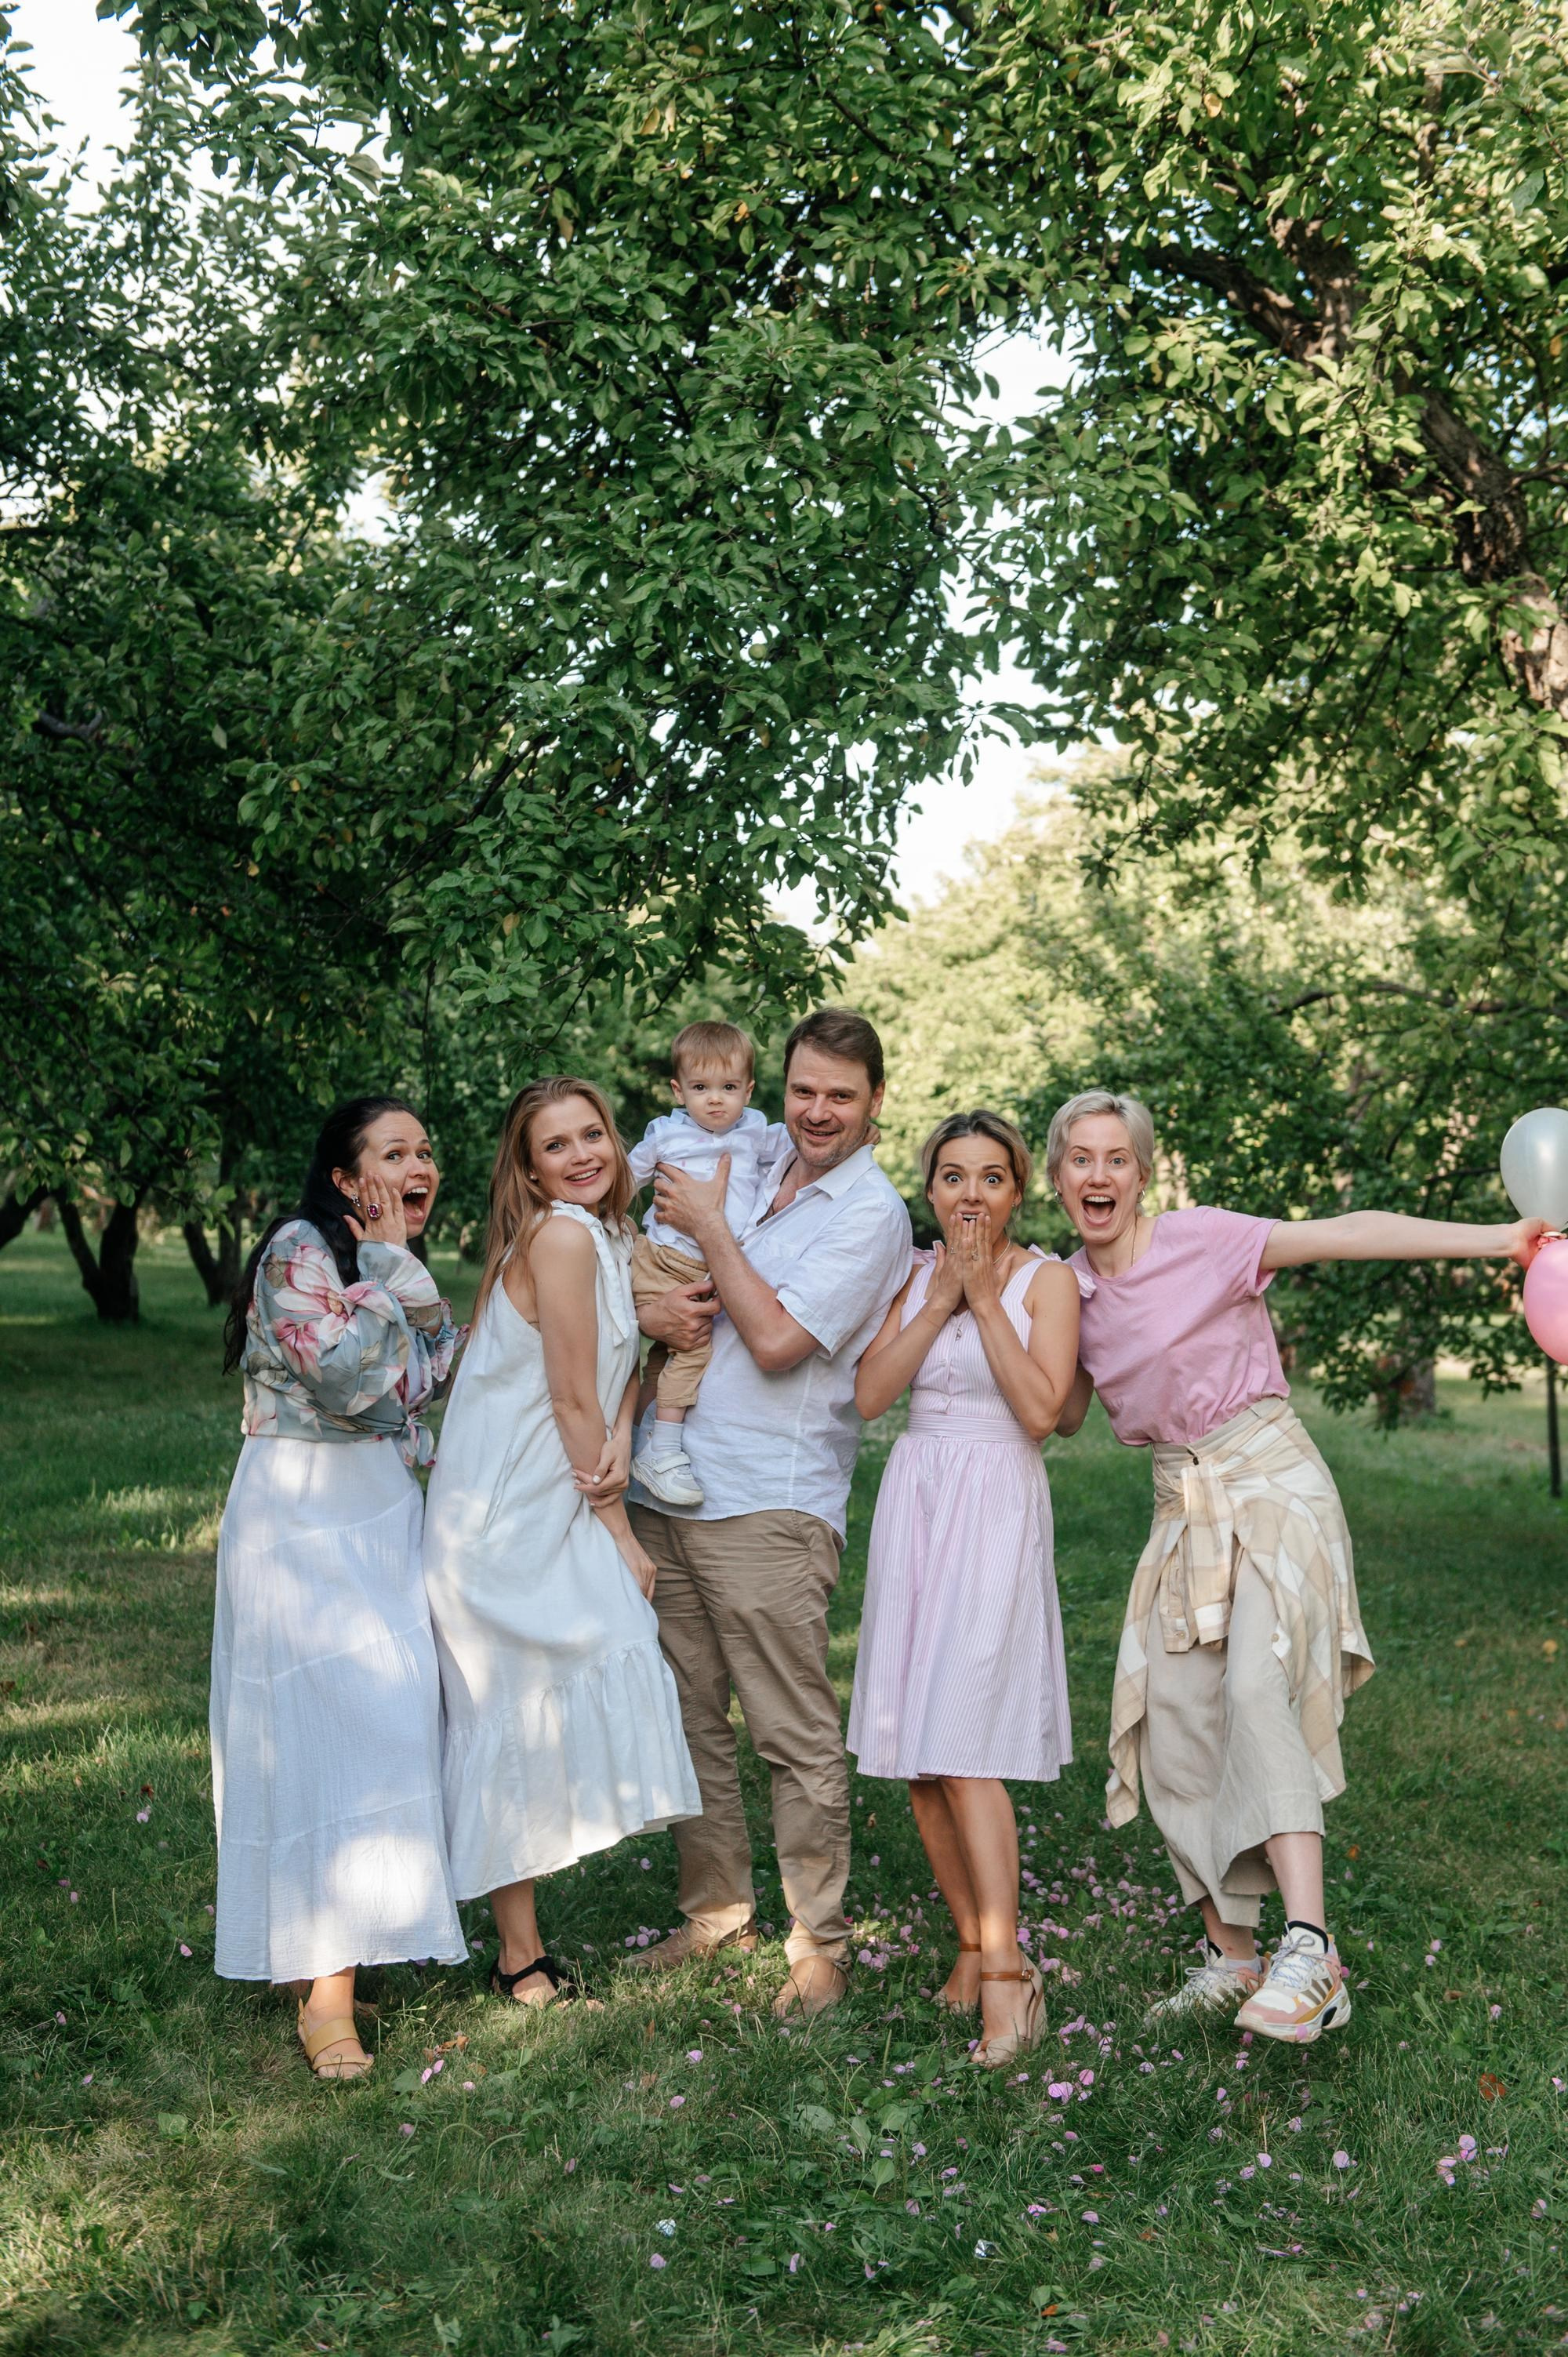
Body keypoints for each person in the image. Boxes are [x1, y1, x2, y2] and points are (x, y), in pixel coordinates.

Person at [1049, 1089, 1546, 2042]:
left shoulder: (1202, 1239)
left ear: (1142, 1174)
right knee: (1174, 1724)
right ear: (1058, 1177)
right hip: (1181, 1503)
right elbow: (1060, 1411)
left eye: (1115, 1158)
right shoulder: (1069, 1290)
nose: (1098, 1175)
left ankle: (1311, 1953)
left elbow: (1346, 1233)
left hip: (1270, 1477)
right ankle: (1232, 1957)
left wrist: (1498, 1239)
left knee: (1252, 1684)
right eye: (1079, 1158)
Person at [626, 1007, 913, 2017]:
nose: (817, 1112)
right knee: (689, 1717)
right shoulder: (746, 1160)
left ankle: (818, 1944)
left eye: (840, 1095)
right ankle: (713, 1912)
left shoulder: (869, 1212)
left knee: (790, 1732)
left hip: (769, 1503)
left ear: (875, 1102)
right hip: (667, 1484)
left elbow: (781, 1341)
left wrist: (708, 1228)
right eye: (802, 1091)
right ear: (776, 1088)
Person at [423, 1077, 700, 2008]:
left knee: (561, 1688)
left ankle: (522, 1948)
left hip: (553, 1497)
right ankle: (519, 1958)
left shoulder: (606, 1237)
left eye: (593, 1135)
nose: (581, 1155)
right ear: (529, 1170)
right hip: (501, 1521)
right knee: (511, 1714)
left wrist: (622, 1434)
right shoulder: (561, 1236)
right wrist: (620, 1530)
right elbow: (569, 1394)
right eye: (556, 1145)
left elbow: (611, 1377)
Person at [213, 1098, 465, 2083]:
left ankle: (339, 1942)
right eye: (393, 1152)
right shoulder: (296, 1251)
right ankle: (326, 1995)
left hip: (379, 1509)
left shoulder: (386, 1261)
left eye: (424, 1151)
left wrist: (403, 1283)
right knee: (325, 1731)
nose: (418, 1166)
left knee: (391, 1718)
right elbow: (352, 1381)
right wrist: (396, 1282)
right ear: (346, 1177)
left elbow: (428, 1378)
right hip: (300, 1514)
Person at [848, 1111, 1081, 2068]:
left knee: (965, 1744)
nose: (970, 1194)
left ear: (1017, 1190)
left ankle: (1009, 1975)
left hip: (992, 1503)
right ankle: (970, 1944)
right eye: (952, 1176)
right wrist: (940, 1293)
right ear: (930, 1188)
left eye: (990, 1177)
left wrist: (983, 1298)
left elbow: (1042, 1412)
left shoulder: (1045, 1282)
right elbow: (870, 1395)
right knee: (919, 1759)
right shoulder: (910, 1274)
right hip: (917, 1498)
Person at [625, 1020, 789, 1507]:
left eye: (729, 1088)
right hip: (665, 1260)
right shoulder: (666, 1135)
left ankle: (636, 1441)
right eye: (700, 1088)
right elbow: (622, 1181)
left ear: (748, 1091)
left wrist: (862, 1138)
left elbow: (804, 1148)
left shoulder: (756, 1131)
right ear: (679, 1091)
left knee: (667, 1355)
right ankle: (663, 1452)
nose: (716, 1100)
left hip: (708, 1268)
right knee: (692, 1350)